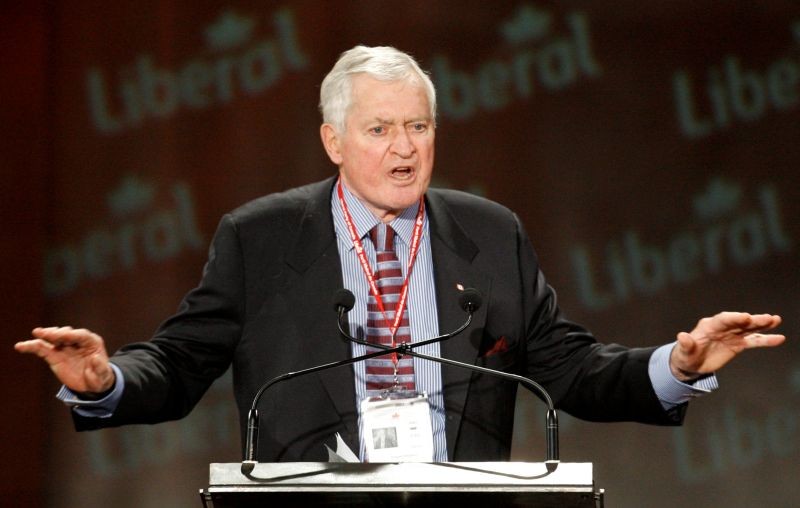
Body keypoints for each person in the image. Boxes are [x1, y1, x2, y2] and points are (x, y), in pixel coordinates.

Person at [15, 46, 785, 463]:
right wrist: (106, 381)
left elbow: (570, 370)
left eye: (419, 127)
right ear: (333, 140)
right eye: (380, 129)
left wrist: (676, 367)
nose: (405, 148)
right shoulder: (261, 235)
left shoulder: (489, 232)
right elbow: (182, 364)